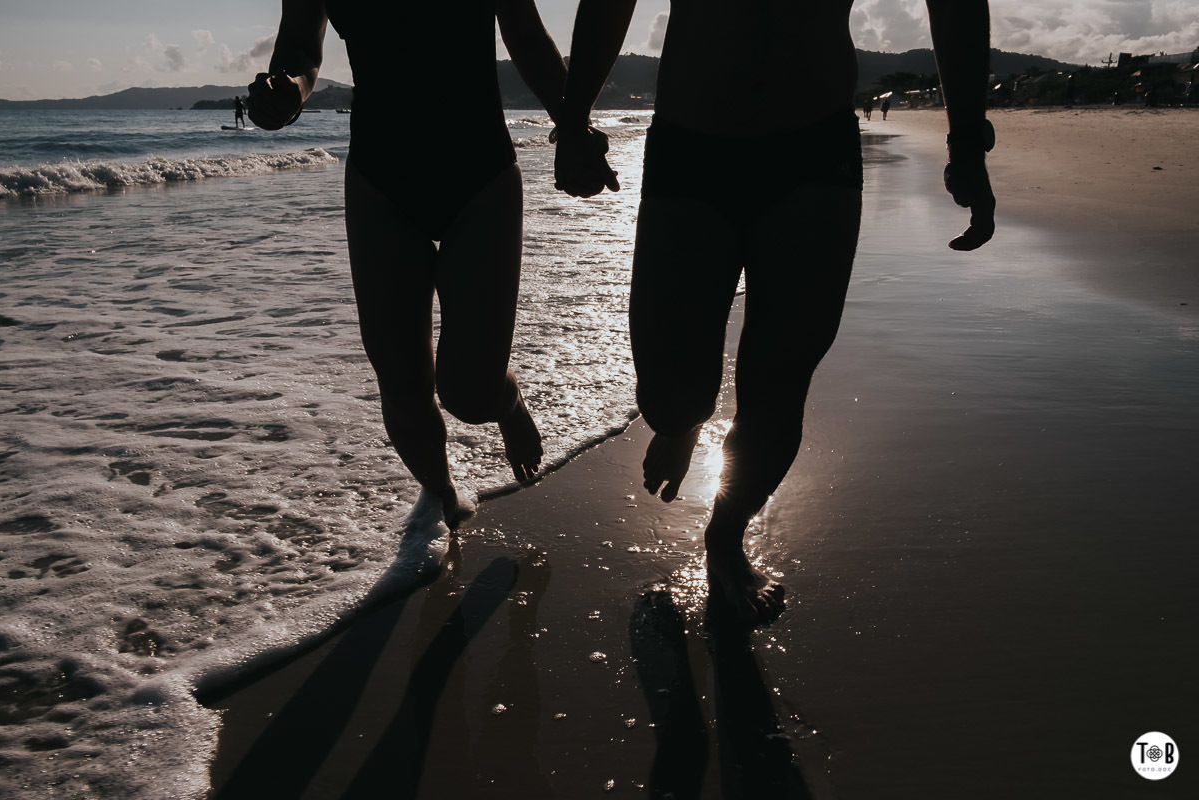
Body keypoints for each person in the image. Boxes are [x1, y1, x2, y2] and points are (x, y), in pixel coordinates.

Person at [555, 0, 995, 624]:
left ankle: (726, 536)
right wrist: (573, 120)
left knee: (780, 378)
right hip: (691, 141)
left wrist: (968, 140)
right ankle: (679, 423)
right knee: (670, 397)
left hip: (814, 148)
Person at [248, 0, 572, 527]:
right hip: (381, 181)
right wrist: (287, 89)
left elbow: (524, 31)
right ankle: (444, 497)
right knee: (402, 385)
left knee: (469, 391)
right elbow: (301, 48)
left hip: (479, 171)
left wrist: (573, 125)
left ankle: (505, 402)